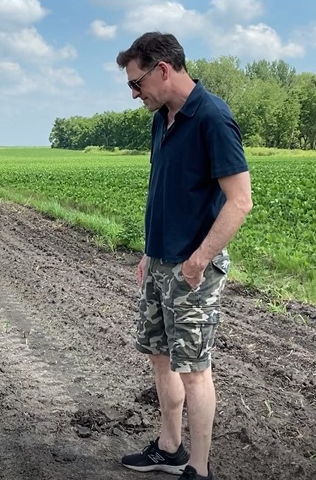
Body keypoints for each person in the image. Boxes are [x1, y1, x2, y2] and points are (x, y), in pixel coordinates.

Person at [116, 33, 253, 480]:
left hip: (193, 269)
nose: (134, 94)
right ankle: (170, 448)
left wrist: (199, 259)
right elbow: (165, 191)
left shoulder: (212, 116)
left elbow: (240, 200)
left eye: (136, 83)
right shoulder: (162, 119)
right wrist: (149, 251)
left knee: (194, 369)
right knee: (160, 356)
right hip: (159, 261)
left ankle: (199, 467)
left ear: (162, 70)